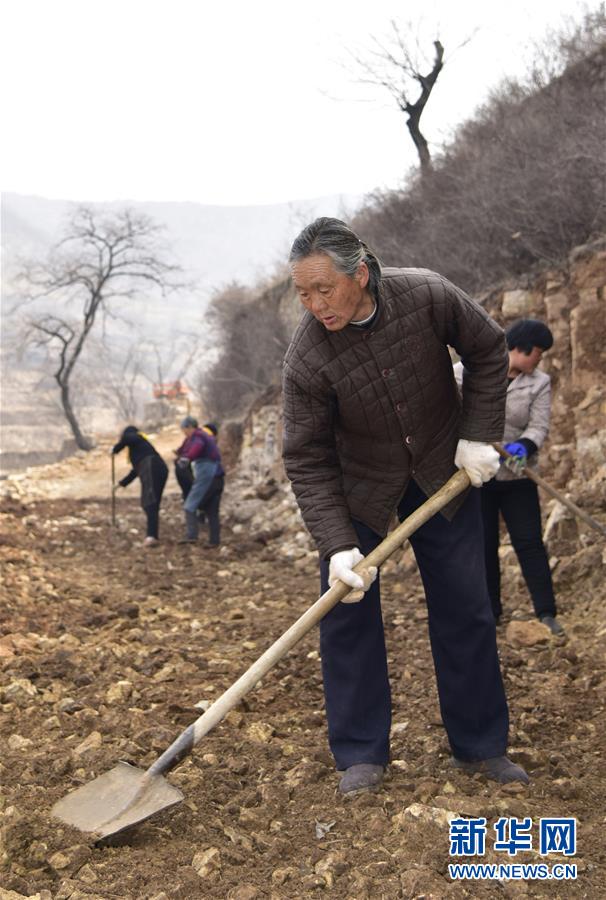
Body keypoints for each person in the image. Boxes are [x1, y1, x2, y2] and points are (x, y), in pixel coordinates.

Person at [282, 217, 529, 795]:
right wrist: (338, 544)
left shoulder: (427, 294)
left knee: (466, 605)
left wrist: (478, 433)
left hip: (442, 468)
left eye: (324, 289)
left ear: (361, 274)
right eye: (302, 292)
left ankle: (481, 746)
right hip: (360, 488)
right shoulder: (307, 357)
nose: (315, 304)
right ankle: (361, 754)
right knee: (346, 612)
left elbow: (490, 349)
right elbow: (307, 456)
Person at [461, 319, 563, 636]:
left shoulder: (539, 382)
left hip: (518, 474)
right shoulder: (471, 371)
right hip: (478, 475)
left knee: (529, 542)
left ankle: (546, 612)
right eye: (539, 353)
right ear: (522, 349)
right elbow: (448, 405)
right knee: (485, 543)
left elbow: (539, 426)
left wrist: (524, 445)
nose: (540, 361)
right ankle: (491, 612)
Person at [112, 425, 168, 547]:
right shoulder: (140, 448)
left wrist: (116, 449)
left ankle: (151, 536)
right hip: (158, 469)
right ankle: (152, 535)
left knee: (149, 502)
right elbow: (136, 470)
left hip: (152, 468)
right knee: (151, 503)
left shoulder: (136, 438)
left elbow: (128, 438)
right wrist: (121, 484)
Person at [174, 416, 221, 544]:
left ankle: (192, 536)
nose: (184, 432)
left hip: (207, 472)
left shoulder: (198, 437)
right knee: (212, 510)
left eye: (184, 429)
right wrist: (181, 453)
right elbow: (184, 448)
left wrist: (187, 458)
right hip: (217, 476)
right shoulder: (197, 436)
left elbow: (196, 447)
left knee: (190, 505)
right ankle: (214, 541)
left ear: (190, 427)